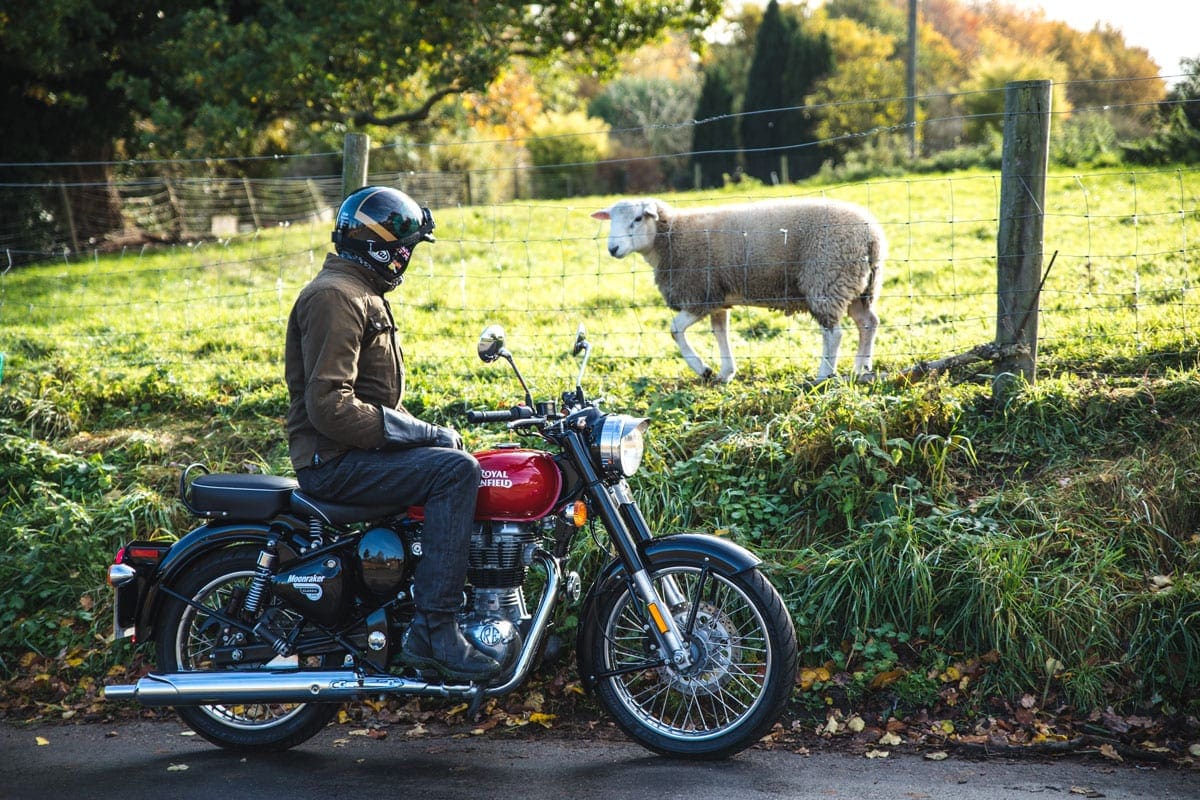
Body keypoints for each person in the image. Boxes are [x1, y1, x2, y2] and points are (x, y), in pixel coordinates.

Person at [284, 185, 499, 681]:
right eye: (407, 249)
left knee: (470, 463)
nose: (408, 259)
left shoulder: (357, 290)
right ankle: (434, 630)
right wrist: (421, 433)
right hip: (334, 462)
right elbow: (330, 407)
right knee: (453, 473)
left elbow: (373, 399)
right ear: (382, 247)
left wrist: (429, 429)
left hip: (352, 453)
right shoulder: (336, 296)